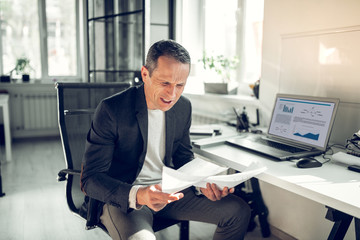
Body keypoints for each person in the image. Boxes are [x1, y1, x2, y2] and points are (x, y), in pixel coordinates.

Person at [80, 39, 251, 240]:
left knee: (238, 211)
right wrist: (140, 194)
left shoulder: (183, 107)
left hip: (170, 193)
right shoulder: (112, 110)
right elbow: (90, 179)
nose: (172, 94)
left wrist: (202, 184)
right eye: (165, 83)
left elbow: (183, 158)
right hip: (127, 199)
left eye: (180, 85)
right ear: (145, 74)